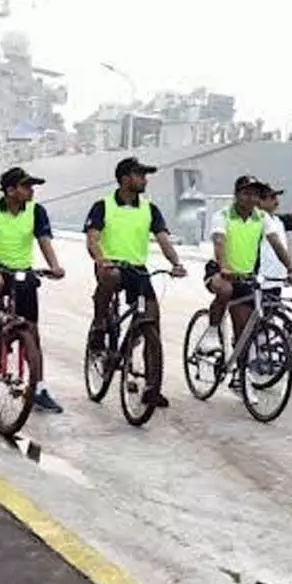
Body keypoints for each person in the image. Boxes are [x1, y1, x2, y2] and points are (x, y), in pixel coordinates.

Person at [83, 157, 188, 409]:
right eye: (140, 175)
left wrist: (176, 263)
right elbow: (93, 239)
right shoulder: (103, 206)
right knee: (110, 277)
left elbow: (163, 240)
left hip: (138, 270)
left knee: (152, 320)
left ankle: (152, 388)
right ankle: (99, 325)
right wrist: (101, 259)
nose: (145, 180)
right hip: (112, 266)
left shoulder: (149, 209)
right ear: (124, 178)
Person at [0, 167, 66, 413]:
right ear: (10, 190)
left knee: (32, 331)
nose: (31, 191)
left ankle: (38, 388)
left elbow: (44, 242)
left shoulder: (36, 211)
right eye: (26, 187)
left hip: (21, 272)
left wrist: (55, 267)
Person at [200, 175, 292, 355]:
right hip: (220, 272)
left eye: (255, 194)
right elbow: (219, 242)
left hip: (245, 277)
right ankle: (212, 333)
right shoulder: (222, 215)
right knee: (225, 290)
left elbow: (276, 243)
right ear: (236, 195)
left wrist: (291, 268)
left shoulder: (261, 217)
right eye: (246, 193)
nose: (251, 198)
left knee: (243, 331)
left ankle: (240, 373)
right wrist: (224, 266)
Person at [257, 180, 292, 304]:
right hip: (262, 279)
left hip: (276, 278)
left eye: (276, 197)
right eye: (271, 197)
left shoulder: (278, 220)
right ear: (259, 202)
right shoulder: (257, 220)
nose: (276, 201)